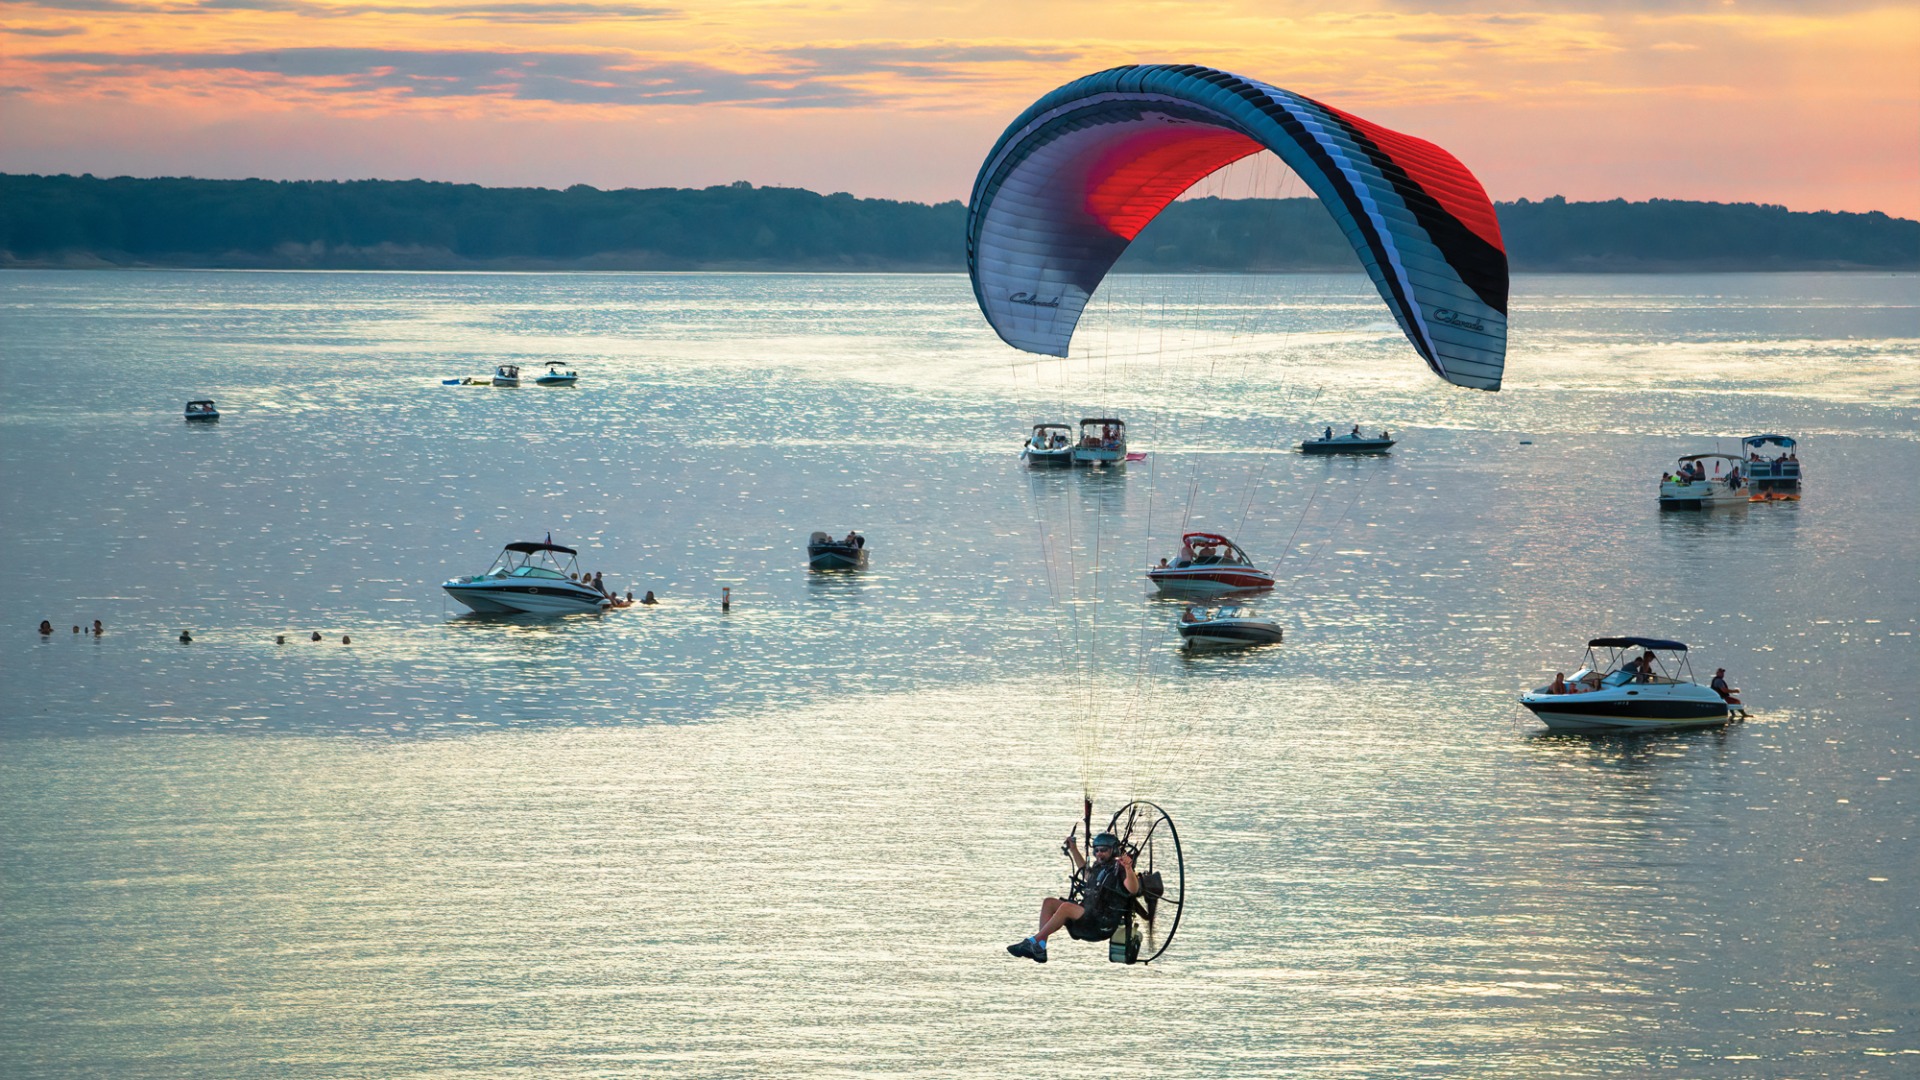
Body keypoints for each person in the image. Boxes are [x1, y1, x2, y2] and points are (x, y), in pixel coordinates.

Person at [1008, 828, 1141, 963]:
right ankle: (1040, 947)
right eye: (1097, 850)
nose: (1099, 853)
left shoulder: (1120, 869)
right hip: (1088, 916)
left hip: (1100, 923)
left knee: (1066, 907)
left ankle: (1033, 941)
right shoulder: (1099, 867)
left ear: (1113, 850)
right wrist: (1073, 848)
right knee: (1049, 903)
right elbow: (1086, 874)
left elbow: (1133, 888)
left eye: (1104, 850)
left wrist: (1129, 869)